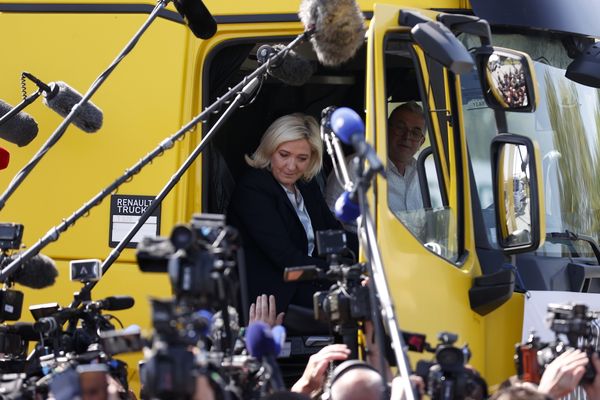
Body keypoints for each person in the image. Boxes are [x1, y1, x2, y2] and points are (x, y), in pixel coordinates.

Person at [228, 113, 344, 313]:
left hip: (309, 281)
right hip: (275, 293)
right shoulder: (253, 188)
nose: (291, 166)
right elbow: (286, 258)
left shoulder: (306, 185)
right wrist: (341, 273)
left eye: (302, 158)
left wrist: (368, 253)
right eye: (284, 155)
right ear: (269, 150)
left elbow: (331, 232)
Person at [325, 102, 426, 223]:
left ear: (421, 142)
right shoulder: (357, 166)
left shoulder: (422, 172)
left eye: (415, 132)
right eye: (400, 127)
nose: (407, 136)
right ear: (386, 130)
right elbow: (330, 215)